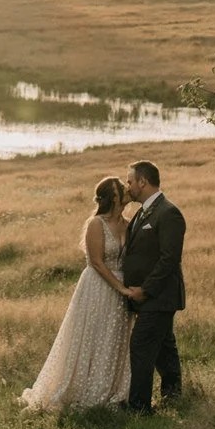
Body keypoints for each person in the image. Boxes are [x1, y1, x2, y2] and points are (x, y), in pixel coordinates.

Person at [19, 175, 133, 411]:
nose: (126, 189)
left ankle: (112, 390)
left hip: (123, 291)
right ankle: (84, 389)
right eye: (121, 187)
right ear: (113, 197)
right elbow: (97, 262)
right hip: (98, 287)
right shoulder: (96, 224)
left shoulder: (128, 224)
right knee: (91, 336)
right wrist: (121, 287)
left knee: (114, 338)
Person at [119, 159, 183, 412]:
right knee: (164, 348)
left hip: (158, 296)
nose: (128, 187)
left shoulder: (168, 213)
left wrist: (145, 290)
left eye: (130, 181)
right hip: (150, 297)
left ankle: (139, 408)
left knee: (141, 345)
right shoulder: (142, 212)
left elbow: (169, 259)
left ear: (143, 182)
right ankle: (173, 396)